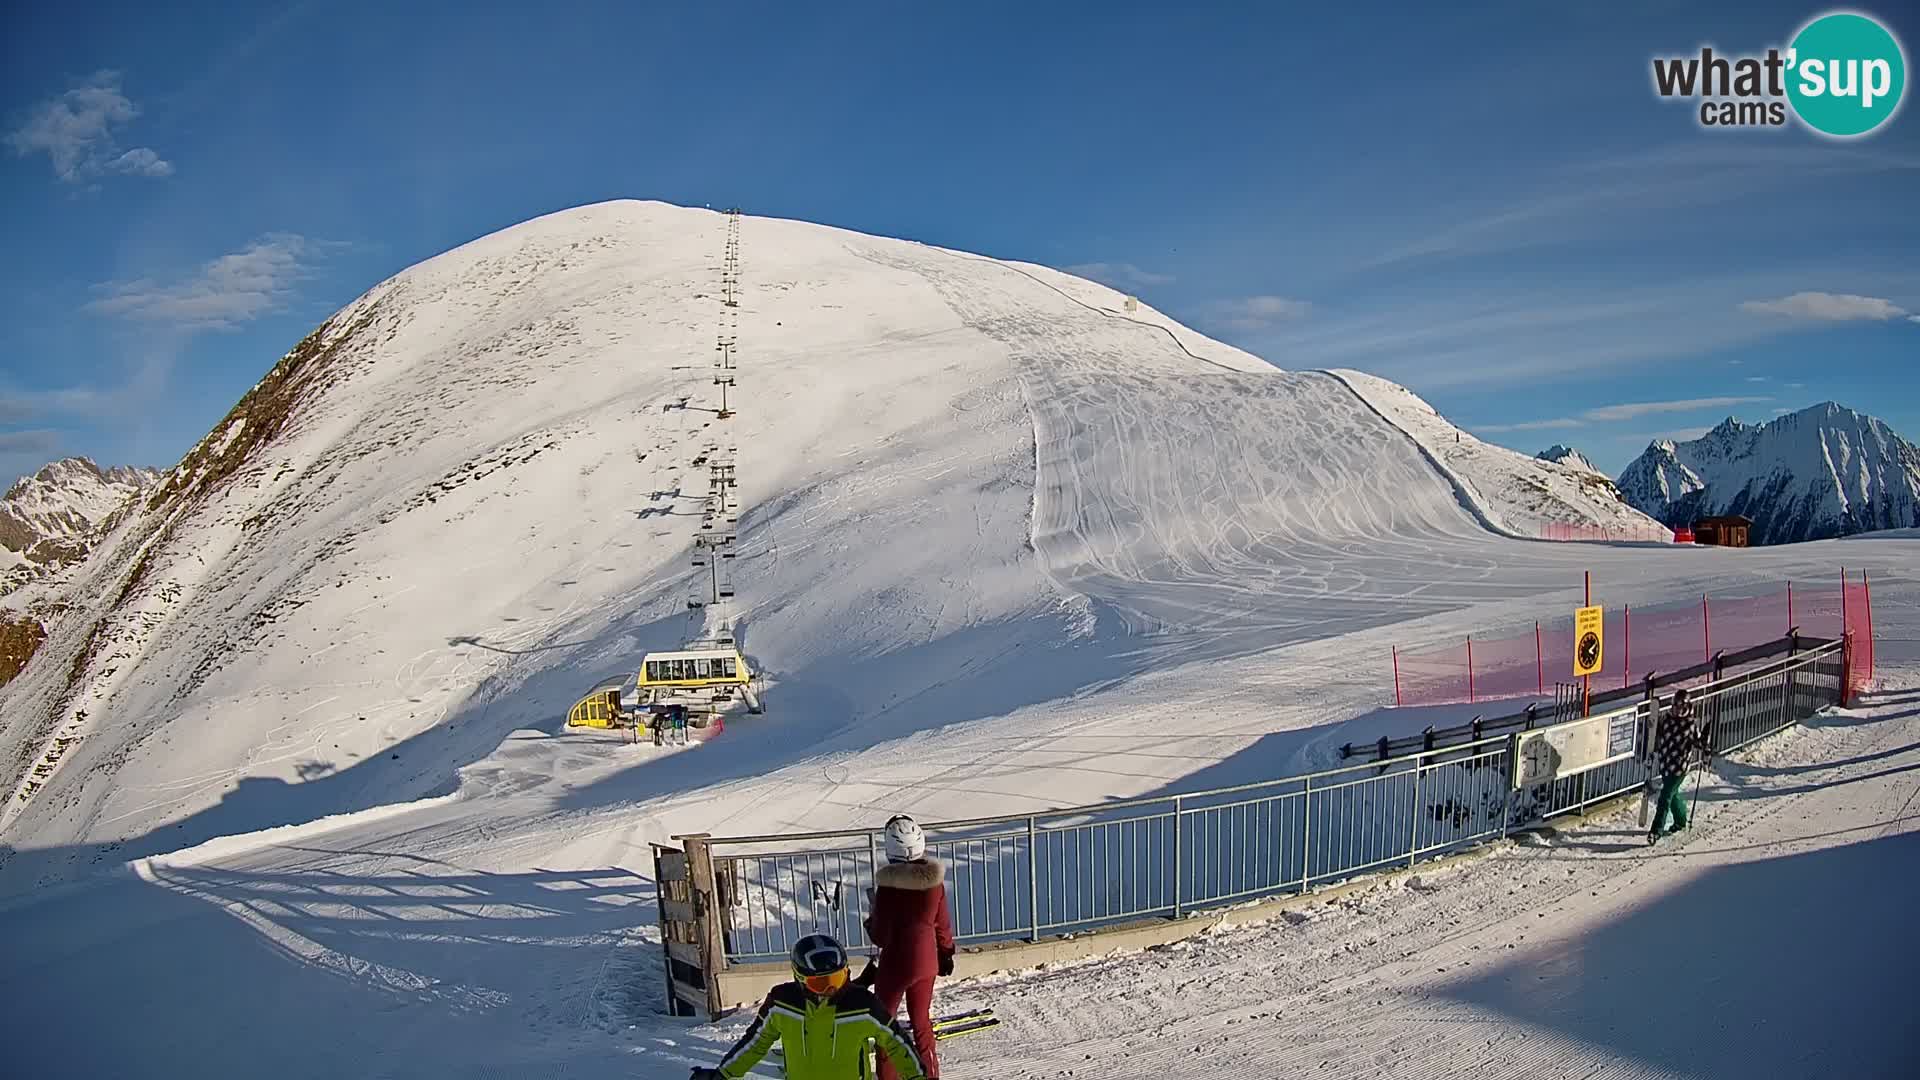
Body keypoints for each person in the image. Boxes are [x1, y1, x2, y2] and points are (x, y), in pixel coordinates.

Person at [691, 934, 927, 1080]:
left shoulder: (862, 1005)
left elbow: (897, 1042)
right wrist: (723, 1074)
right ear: (800, 977)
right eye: (820, 983)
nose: (830, 990)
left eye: (836, 979)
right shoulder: (782, 1003)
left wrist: (916, 1076)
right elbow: (756, 1043)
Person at [858, 815, 954, 1080]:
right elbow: (942, 924)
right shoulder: (935, 883)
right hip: (927, 962)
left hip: (896, 966)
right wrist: (945, 953)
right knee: (922, 1021)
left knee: (885, 1026)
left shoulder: (889, 888)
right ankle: (929, 1074)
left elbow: (882, 937)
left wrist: (870, 923)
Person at [1648, 687, 1707, 843]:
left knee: (1665, 797)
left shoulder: (1690, 725)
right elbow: (1656, 734)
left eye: (1681, 708)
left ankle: (1656, 831)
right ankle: (1681, 821)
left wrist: (1704, 743)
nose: (1677, 711)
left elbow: (1699, 743)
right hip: (1665, 765)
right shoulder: (1666, 720)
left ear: (1687, 708)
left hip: (1679, 768)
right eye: (1675, 707)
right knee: (1673, 796)